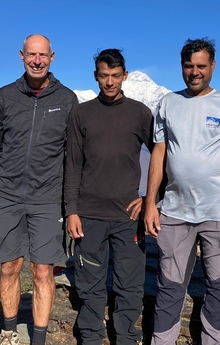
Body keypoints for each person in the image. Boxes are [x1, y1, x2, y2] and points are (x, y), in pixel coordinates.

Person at [144, 38, 220, 345]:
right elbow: (159, 155)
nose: (195, 72)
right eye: (189, 66)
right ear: (181, 67)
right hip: (175, 210)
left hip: (219, 212)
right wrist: (151, 203)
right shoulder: (168, 102)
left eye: (201, 66)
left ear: (213, 67)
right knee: (169, 284)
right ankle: (162, 340)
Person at [0, 34, 78, 345]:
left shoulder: (67, 100)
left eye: (43, 55)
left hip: (48, 199)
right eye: (31, 55)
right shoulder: (5, 96)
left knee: (42, 271)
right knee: (9, 266)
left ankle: (38, 339)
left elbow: (73, 155)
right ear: (22, 56)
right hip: (8, 195)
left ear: (52, 58)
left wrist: (71, 203)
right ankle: (9, 334)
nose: (37, 60)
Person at [64, 48, 153, 345]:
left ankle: (126, 338)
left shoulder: (140, 113)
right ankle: (90, 337)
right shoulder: (81, 114)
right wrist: (71, 211)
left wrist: (150, 198)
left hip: (129, 216)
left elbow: (162, 156)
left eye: (116, 76)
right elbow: (73, 164)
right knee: (89, 284)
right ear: (96, 76)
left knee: (129, 283)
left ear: (125, 76)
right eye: (104, 76)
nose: (110, 82)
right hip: (88, 214)